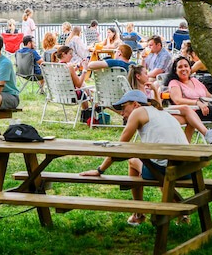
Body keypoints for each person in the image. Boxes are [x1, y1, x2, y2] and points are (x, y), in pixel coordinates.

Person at [79, 90, 189, 226]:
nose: (122, 113)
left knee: (135, 162)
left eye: (124, 108)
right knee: (160, 169)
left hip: (167, 169)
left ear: (136, 104)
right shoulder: (162, 112)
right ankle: (180, 210)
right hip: (188, 168)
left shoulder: (139, 112)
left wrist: (100, 170)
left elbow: (120, 147)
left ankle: (138, 213)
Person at [128, 64, 212, 144]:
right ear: (138, 76)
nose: (148, 75)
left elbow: (158, 108)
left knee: (191, 118)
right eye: (145, 73)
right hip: (153, 120)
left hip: (158, 115)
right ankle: (204, 135)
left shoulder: (147, 89)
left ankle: (185, 148)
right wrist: (155, 91)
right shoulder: (137, 94)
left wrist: (155, 90)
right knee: (188, 111)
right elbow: (158, 108)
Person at [166, 56, 212, 123]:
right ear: (175, 70)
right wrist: (197, 103)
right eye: (180, 67)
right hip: (193, 111)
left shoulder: (194, 80)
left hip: (206, 109)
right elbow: (178, 100)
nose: (183, 69)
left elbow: (209, 95)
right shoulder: (174, 83)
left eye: (186, 66)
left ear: (190, 69)